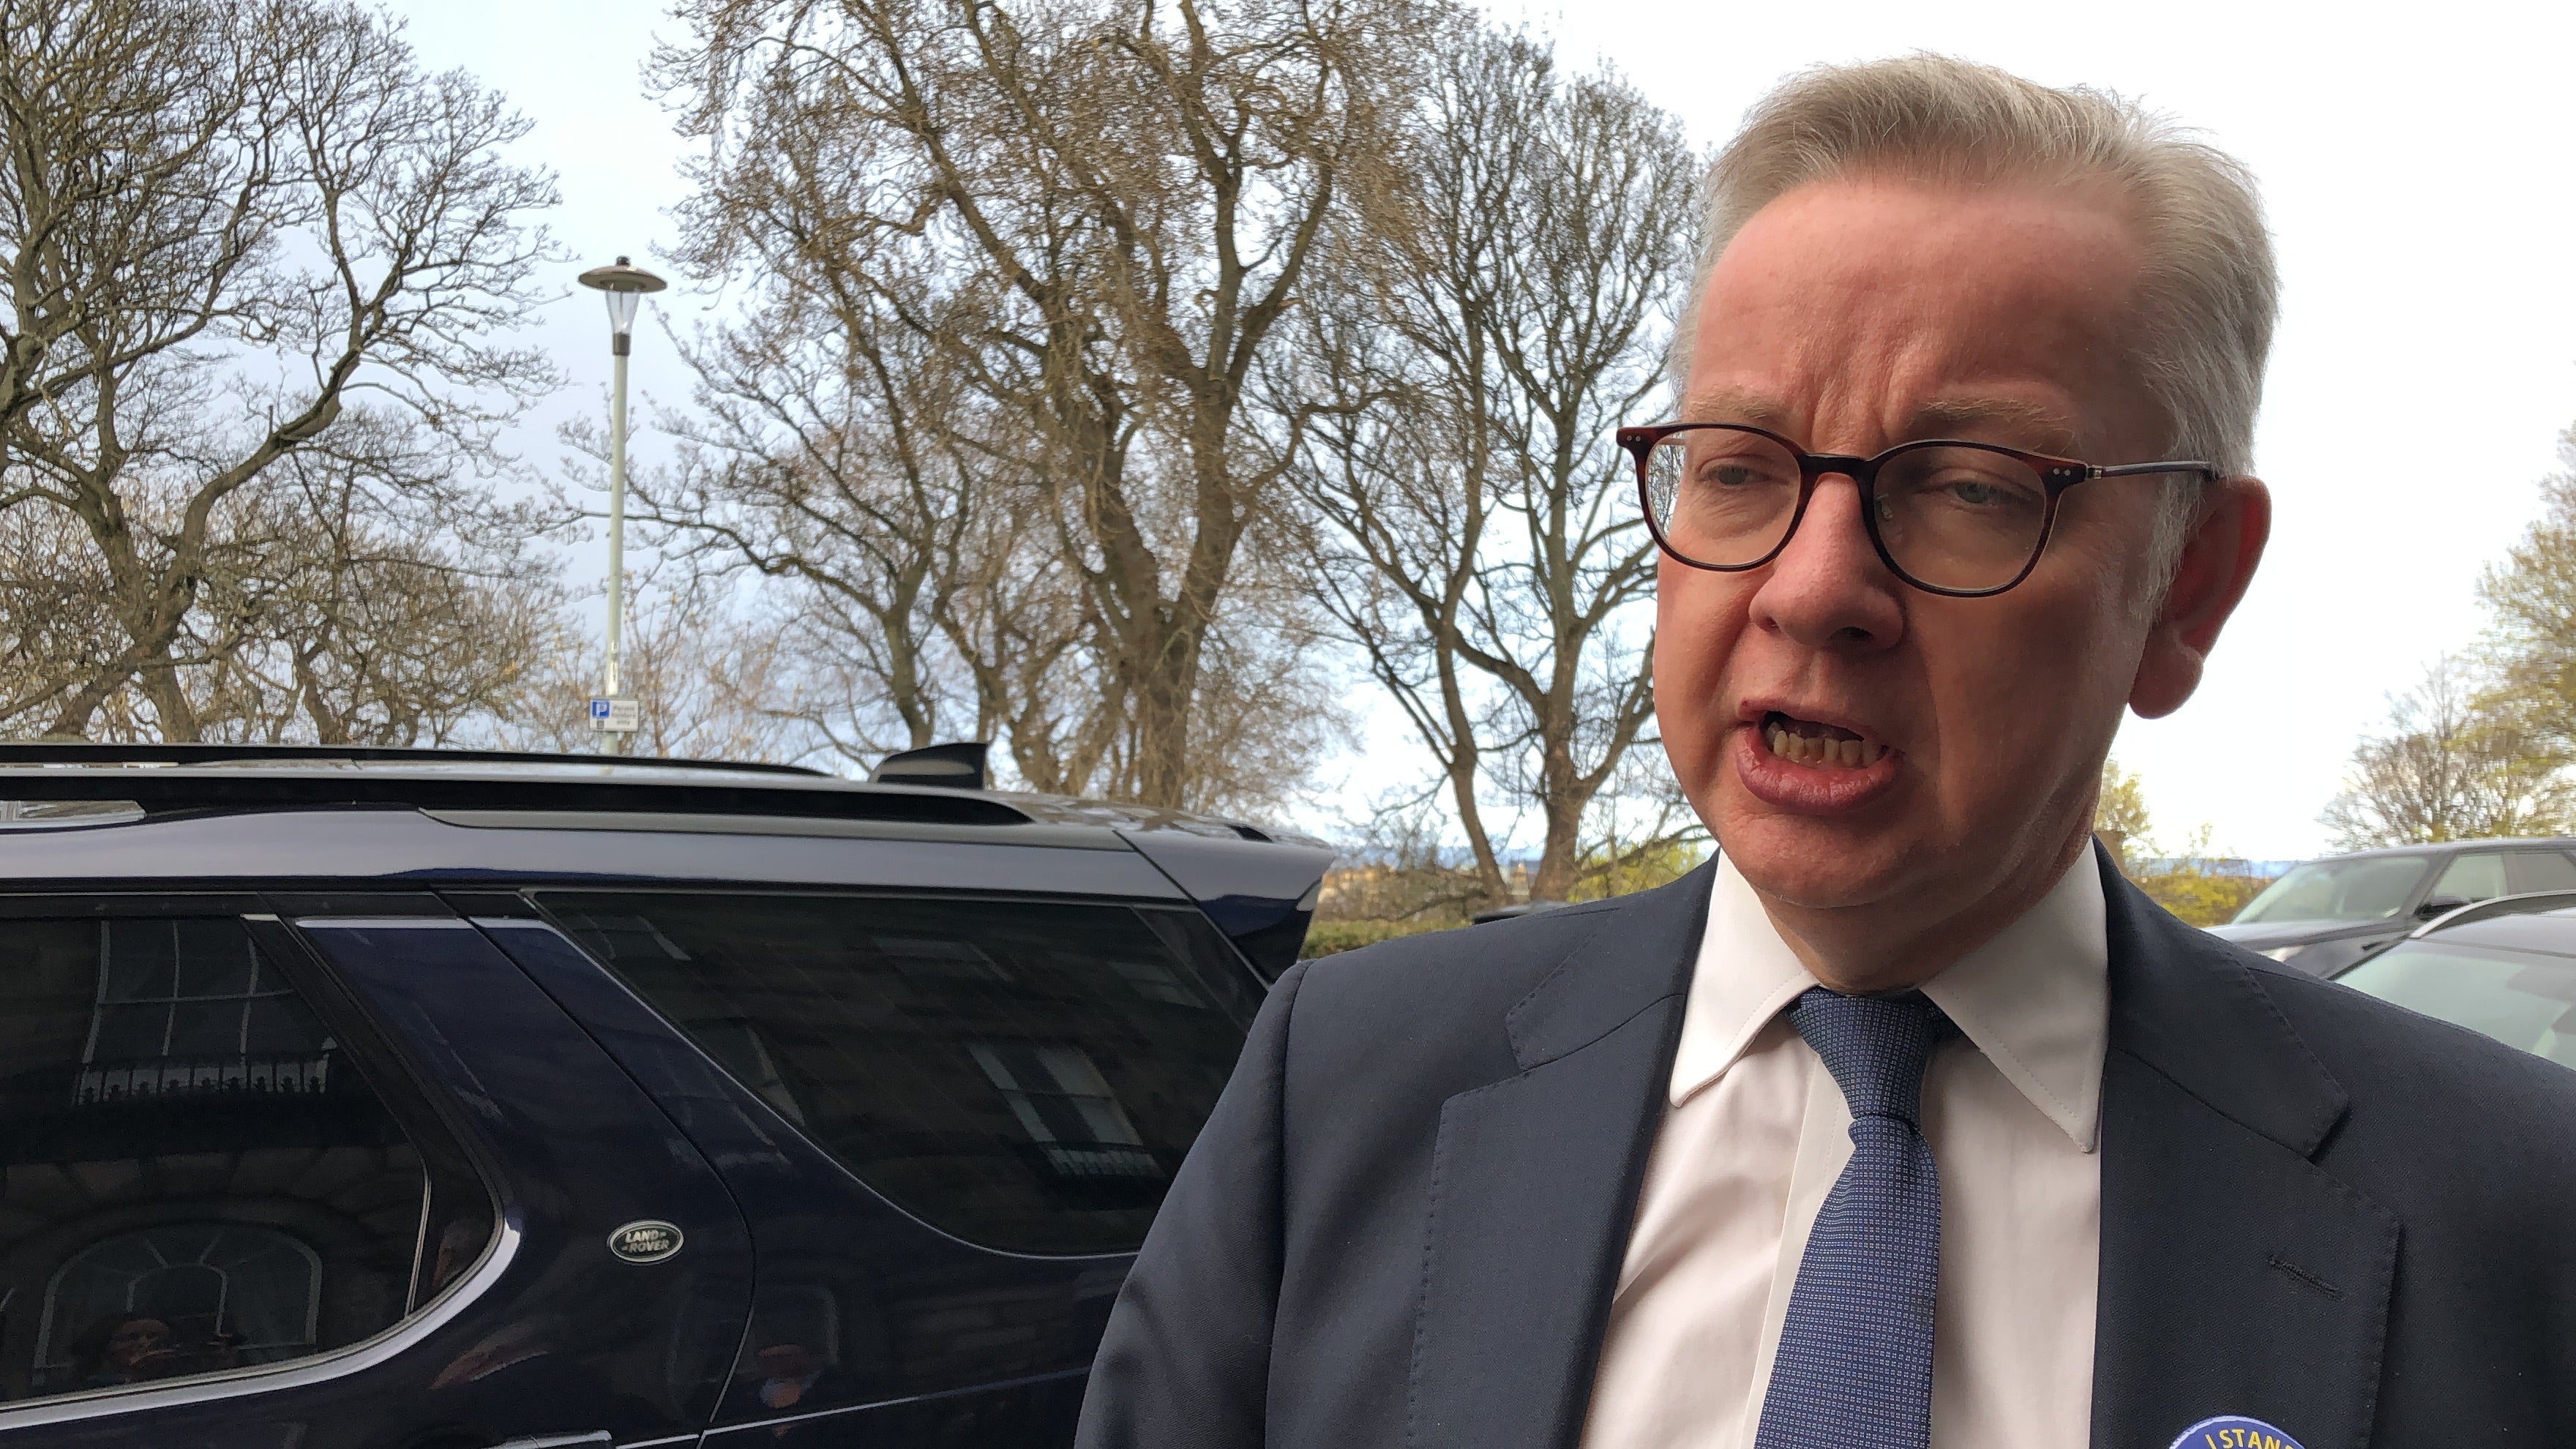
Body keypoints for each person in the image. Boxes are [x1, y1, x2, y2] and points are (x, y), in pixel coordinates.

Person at [1074, 55, 2576, 1449]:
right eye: (1737, 469)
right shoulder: (1341, 1086)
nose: (1809, 586)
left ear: (2187, 586)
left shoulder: (2502, 1204)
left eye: (1970, 489)